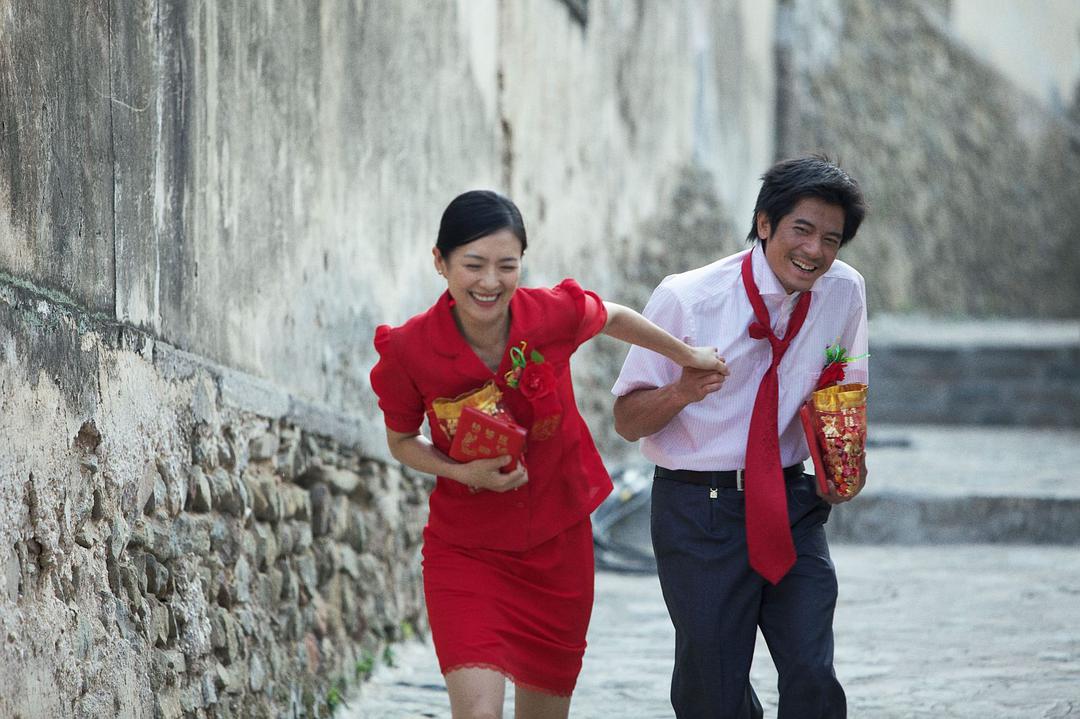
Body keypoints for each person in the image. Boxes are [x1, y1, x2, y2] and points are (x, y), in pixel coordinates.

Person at [369, 189, 725, 719]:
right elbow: (401, 442)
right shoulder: (409, 350)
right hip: (467, 550)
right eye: (473, 265)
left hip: (558, 547)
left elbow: (612, 316)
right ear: (440, 262)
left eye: (506, 265)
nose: (490, 282)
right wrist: (463, 471)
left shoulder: (548, 315)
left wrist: (686, 353)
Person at [611, 156, 869, 719]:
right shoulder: (687, 299)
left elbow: (842, 386)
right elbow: (626, 420)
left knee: (812, 671)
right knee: (713, 688)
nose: (815, 251)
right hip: (697, 508)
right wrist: (681, 391)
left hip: (791, 501)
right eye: (802, 229)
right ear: (764, 223)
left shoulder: (844, 292)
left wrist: (843, 462)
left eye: (831, 239)